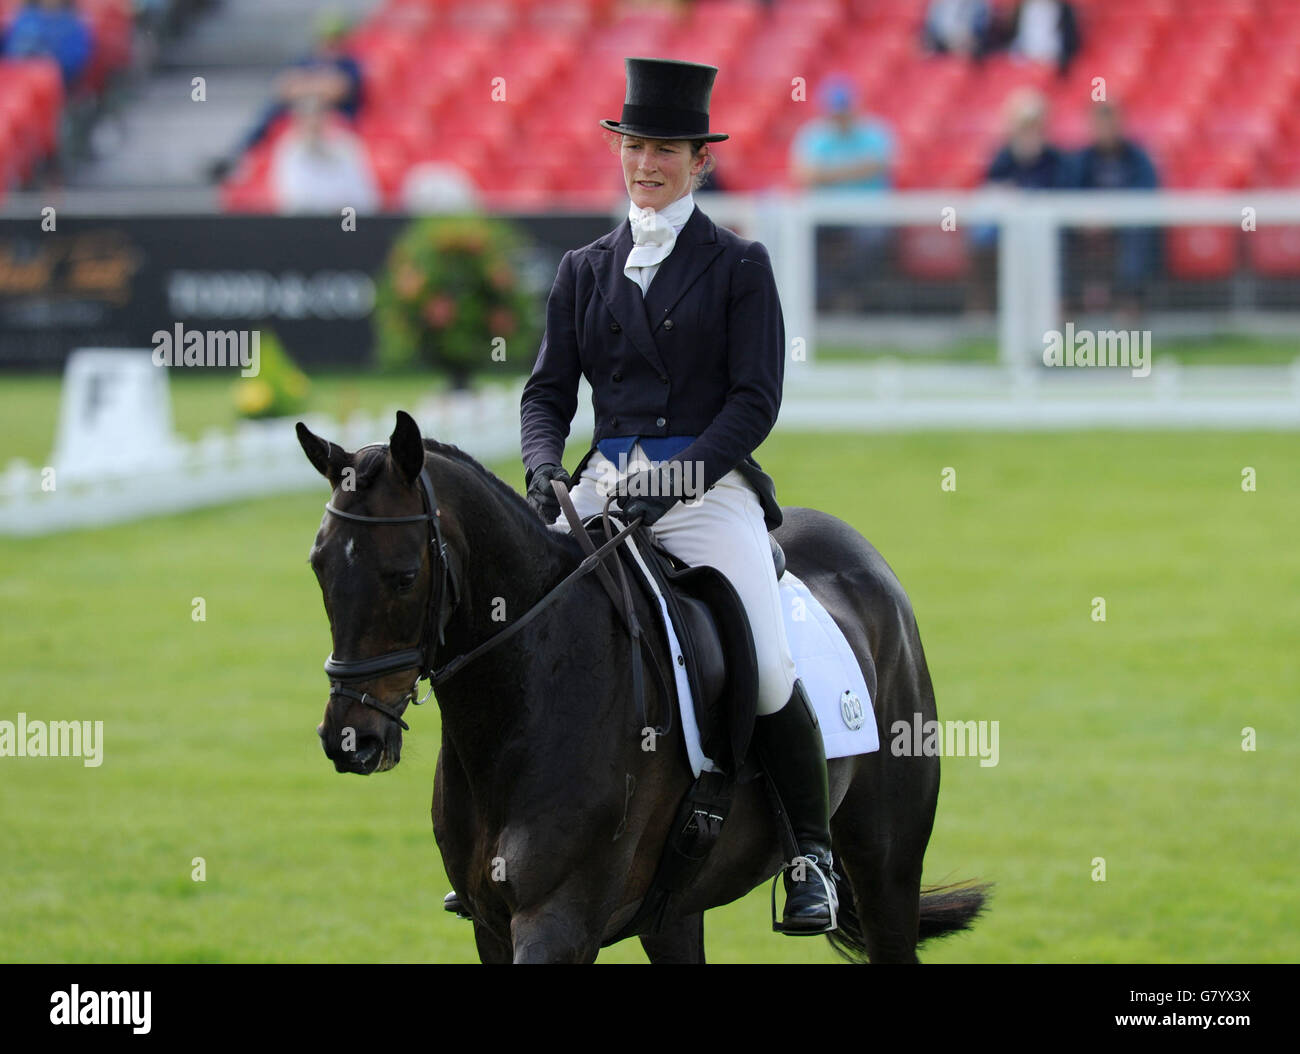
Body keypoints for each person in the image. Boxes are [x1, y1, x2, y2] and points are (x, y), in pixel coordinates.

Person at [520, 57, 837, 935]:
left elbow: (755, 401)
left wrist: (678, 477)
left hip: (705, 489)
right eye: (634, 147)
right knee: (519, 627)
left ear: (700, 161)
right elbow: (547, 394)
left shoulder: (739, 265)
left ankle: (812, 854)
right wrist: (545, 469)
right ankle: (515, 840)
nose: (645, 163)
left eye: (665, 149)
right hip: (599, 485)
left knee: (768, 663)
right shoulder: (584, 268)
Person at [208, 12, 363, 181]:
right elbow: (282, 87)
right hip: (301, 116)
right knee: (271, 111)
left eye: (334, 39)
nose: (329, 44)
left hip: (338, 122)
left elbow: (337, 90)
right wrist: (319, 85)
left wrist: (305, 86)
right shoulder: (306, 60)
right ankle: (238, 157)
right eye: (325, 39)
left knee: (307, 112)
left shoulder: (349, 64)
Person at [789, 74, 896, 312]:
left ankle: (849, 295)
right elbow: (804, 176)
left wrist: (827, 175)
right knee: (799, 238)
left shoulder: (875, 132)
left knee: (870, 241)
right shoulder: (814, 135)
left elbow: (878, 166)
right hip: (823, 213)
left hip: (868, 213)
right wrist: (855, 171)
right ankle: (821, 296)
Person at [1069, 101, 1160, 317]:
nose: (1105, 129)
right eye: (1100, 123)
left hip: (1126, 226)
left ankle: (1129, 304)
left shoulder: (1137, 158)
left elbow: (1147, 193)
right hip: (1087, 227)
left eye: (1109, 122)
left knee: (1138, 234)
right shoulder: (1082, 160)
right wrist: (1087, 216)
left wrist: (1113, 216)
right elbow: (1069, 195)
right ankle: (1067, 303)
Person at [269, 97, 379, 214]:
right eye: (307, 117)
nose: (313, 123)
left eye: (317, 116)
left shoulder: (347, 147)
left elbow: (363, 197)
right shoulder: (288, 149)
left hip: (345, 221)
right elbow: (292, 199)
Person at [1, 0, 91, 88]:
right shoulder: (24, 18)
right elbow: (9, 49)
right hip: (13, 79)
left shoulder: (72, 26)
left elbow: (72, 63)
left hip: (51, 84)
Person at [923, 0, 993, 59]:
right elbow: (933, 29)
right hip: (943, 42)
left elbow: (981, 29)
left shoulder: (980, 4)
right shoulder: (939, 4)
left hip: (970, 43)